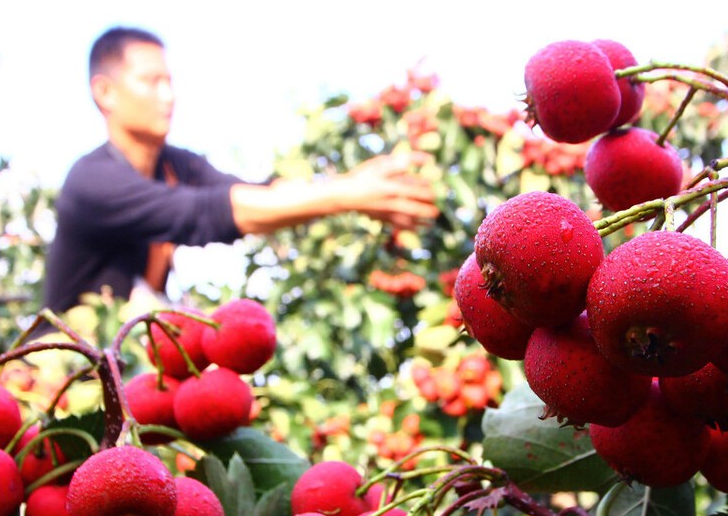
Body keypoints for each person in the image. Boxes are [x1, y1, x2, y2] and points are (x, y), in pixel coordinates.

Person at [42, 26, 438, 315]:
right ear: (105, 92)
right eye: (151, 81)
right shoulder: (92, 181)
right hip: (63, 379)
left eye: (170, 81)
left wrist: (353, 184)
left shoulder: (176, 164)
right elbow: (206, 213)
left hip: (126, 373)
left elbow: (256, 194)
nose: (169, 95)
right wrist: (346, 194)